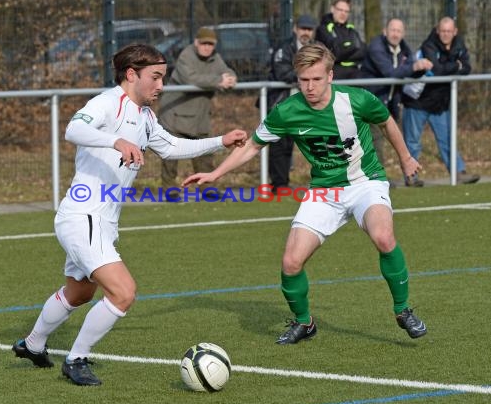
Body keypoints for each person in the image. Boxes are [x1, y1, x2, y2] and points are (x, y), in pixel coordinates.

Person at [11, 44, 246, 386]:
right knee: (123, 292)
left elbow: (172, 148)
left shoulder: (147, 117)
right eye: (155, 77)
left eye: (162, 77)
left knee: (79, 294)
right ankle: (75, 359)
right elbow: (73, 130)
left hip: (102, 221)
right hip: (83, 215)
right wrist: (117, 142)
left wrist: (220, 140)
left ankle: (33, 345)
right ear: (132, 74)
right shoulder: (108, 103)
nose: (161, 85)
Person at [183, 43, 427, 345]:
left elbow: (387, 121)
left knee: (384, 237)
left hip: (365, 183)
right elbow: (253, 145)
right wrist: (215, 173)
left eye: (316, 79)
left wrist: (405, 158)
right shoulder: (288, 110)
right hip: (323, 191)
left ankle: (403, 311)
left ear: (330, 75)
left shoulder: (356, 100)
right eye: (303, 80)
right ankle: (304, 323)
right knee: (290, 263)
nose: (309, 87)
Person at [158, 27, 237, 199]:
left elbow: (227, 71)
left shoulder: (215, 58)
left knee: (205, 153)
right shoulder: (186, 55)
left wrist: (231, 78)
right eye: (204, 43)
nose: (207, 47)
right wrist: (218, 81)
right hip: (175, 113)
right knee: (171, 155)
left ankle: (207, 189)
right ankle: (170, 190)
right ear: (196, 42)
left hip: (200, 115)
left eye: (211, 44)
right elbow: (191, 79)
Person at [402, 17, 479, 185]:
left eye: (449, 31)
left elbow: (467, 68)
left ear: (455, 31)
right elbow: (436, 71)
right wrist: (455, 66)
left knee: (447, 139)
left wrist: (453, 68)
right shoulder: (428, 45)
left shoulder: (459, 44)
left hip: (440, 103)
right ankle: (411, 176)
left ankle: (459, 172)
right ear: (438, 31)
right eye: (443, 31)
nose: (445, 34)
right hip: (417, 101)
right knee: (412, 142)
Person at [361, 18, 433, 185]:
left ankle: (410, 175)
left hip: (390, 103)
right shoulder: (376, 47)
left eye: (399, 31)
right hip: (372, 102)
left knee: (397, 141)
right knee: (375, 141)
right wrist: (414, 67)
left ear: (403, 33)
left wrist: (420, 69)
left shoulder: (404, 48)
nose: (395, 34)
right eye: (392, 30)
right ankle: (377, 180)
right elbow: (390, 73)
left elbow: (407, 71)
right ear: (385, 31)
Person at [267, 14, 317, 191]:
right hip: (283, 102)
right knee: (280, 144)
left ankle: (324, 182)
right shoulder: (284, 48)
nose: (306, 32)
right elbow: (282, 71)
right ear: (295, 28)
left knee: (314, 143)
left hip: (308, 104)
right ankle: (280, 184)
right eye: (303, 28)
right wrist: (307, 75)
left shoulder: (317, 49)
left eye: (309, 29)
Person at [314, 0, 366, 80]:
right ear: (332, 9)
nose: (343, 13)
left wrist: (344, 48)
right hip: (334, 76)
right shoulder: (323, 29)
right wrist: (353, 47)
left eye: (346, 11)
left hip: (355, 75)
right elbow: (335, 53)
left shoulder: (351, 30)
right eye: (340, 10)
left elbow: (362, 52)